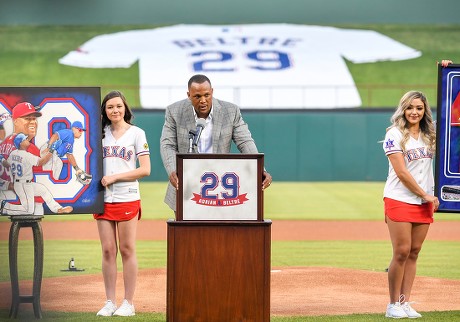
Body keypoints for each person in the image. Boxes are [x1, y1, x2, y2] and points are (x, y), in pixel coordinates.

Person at [160, 74, 272, 212]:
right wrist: (172, 170)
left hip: (219, 186)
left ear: (212, 91)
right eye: (197, 96)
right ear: (189, 95)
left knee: (219, 232)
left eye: (207, 95)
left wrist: (261, 169)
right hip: (186, 184)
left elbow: (245, 142)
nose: (203, 100)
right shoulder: (174, 111)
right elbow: (167, 144)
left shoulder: (231, 111)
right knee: (186, 233)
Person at [382, 91, 439, 318]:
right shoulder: (394, 134)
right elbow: (402, 173)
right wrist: (425, 195)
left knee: (414, 252)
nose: (414, 112)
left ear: (425, 111)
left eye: (419, 108)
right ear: (403, 109)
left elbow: (454, 115)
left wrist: (447, 71)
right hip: (399, 197)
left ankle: (405, 303)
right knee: (402, 251)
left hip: (424, 198)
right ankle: (392, 304)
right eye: (410, 108)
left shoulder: (431, 133)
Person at [94, 91, 151, 317]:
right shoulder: (100, 134)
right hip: (103, 197)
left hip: (127, 195)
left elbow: (145, 169)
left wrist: (116, 177)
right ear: (104, 111)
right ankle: (110, 301)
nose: (114, 110)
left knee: (127, 249)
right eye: (109, 107)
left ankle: (128, 302)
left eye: (118, 106)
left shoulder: (136, 133)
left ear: (125, 108)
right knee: (108, 250)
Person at [0, 133, 73, 215]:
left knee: (43, 190)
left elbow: (7, 164)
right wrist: (51, 150)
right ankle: (4, 207)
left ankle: (57, 209)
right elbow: (42, 162)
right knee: (28, 210)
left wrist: (2, 159)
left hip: (25, 183)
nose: (27, 140)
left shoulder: (13, 153)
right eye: (24, 139)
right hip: (23, 185)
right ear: (20, 143)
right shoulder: (26, 155)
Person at [0, 102, 45, 214]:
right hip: (26, 200)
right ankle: (4, 207)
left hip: (9, 194)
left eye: (34, 119)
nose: (33, 122)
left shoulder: (5, 143)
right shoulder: (29, 149)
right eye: (28, 118)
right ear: (16, 121)